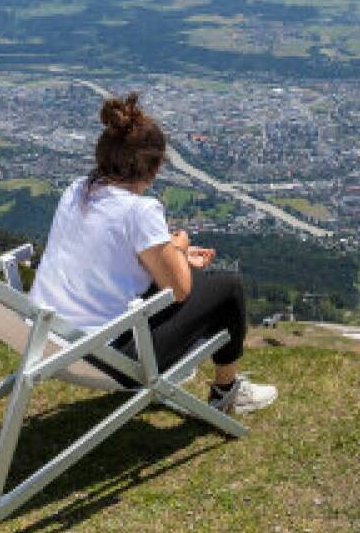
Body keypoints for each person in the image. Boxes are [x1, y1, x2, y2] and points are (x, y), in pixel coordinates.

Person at [30, 91, 277, 415]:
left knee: (184, 275)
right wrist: (179, 247)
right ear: (153, 167)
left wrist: (174, 258)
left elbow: (106, 259)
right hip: (106, 356)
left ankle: (214, 385)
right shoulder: (140, 210)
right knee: (228, 286)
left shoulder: (77, 190)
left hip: (44, 338)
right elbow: (180, 290)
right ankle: (227, 392)